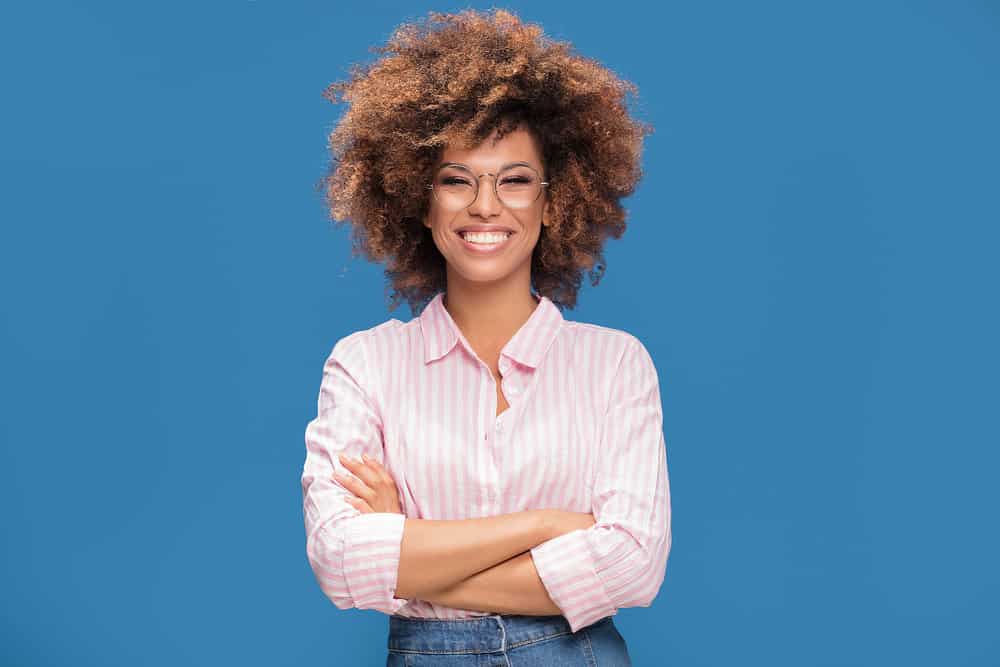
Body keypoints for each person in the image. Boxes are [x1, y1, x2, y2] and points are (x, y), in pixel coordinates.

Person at [301, 8, 671, 665]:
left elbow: (634, 564)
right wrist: (545, 525)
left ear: (555, 201)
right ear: (420, 197)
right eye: (456, 179)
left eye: (515, 180)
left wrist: (411, 547)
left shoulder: (615, 364)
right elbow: (340, 561)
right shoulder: (366, 364)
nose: (485, 205)